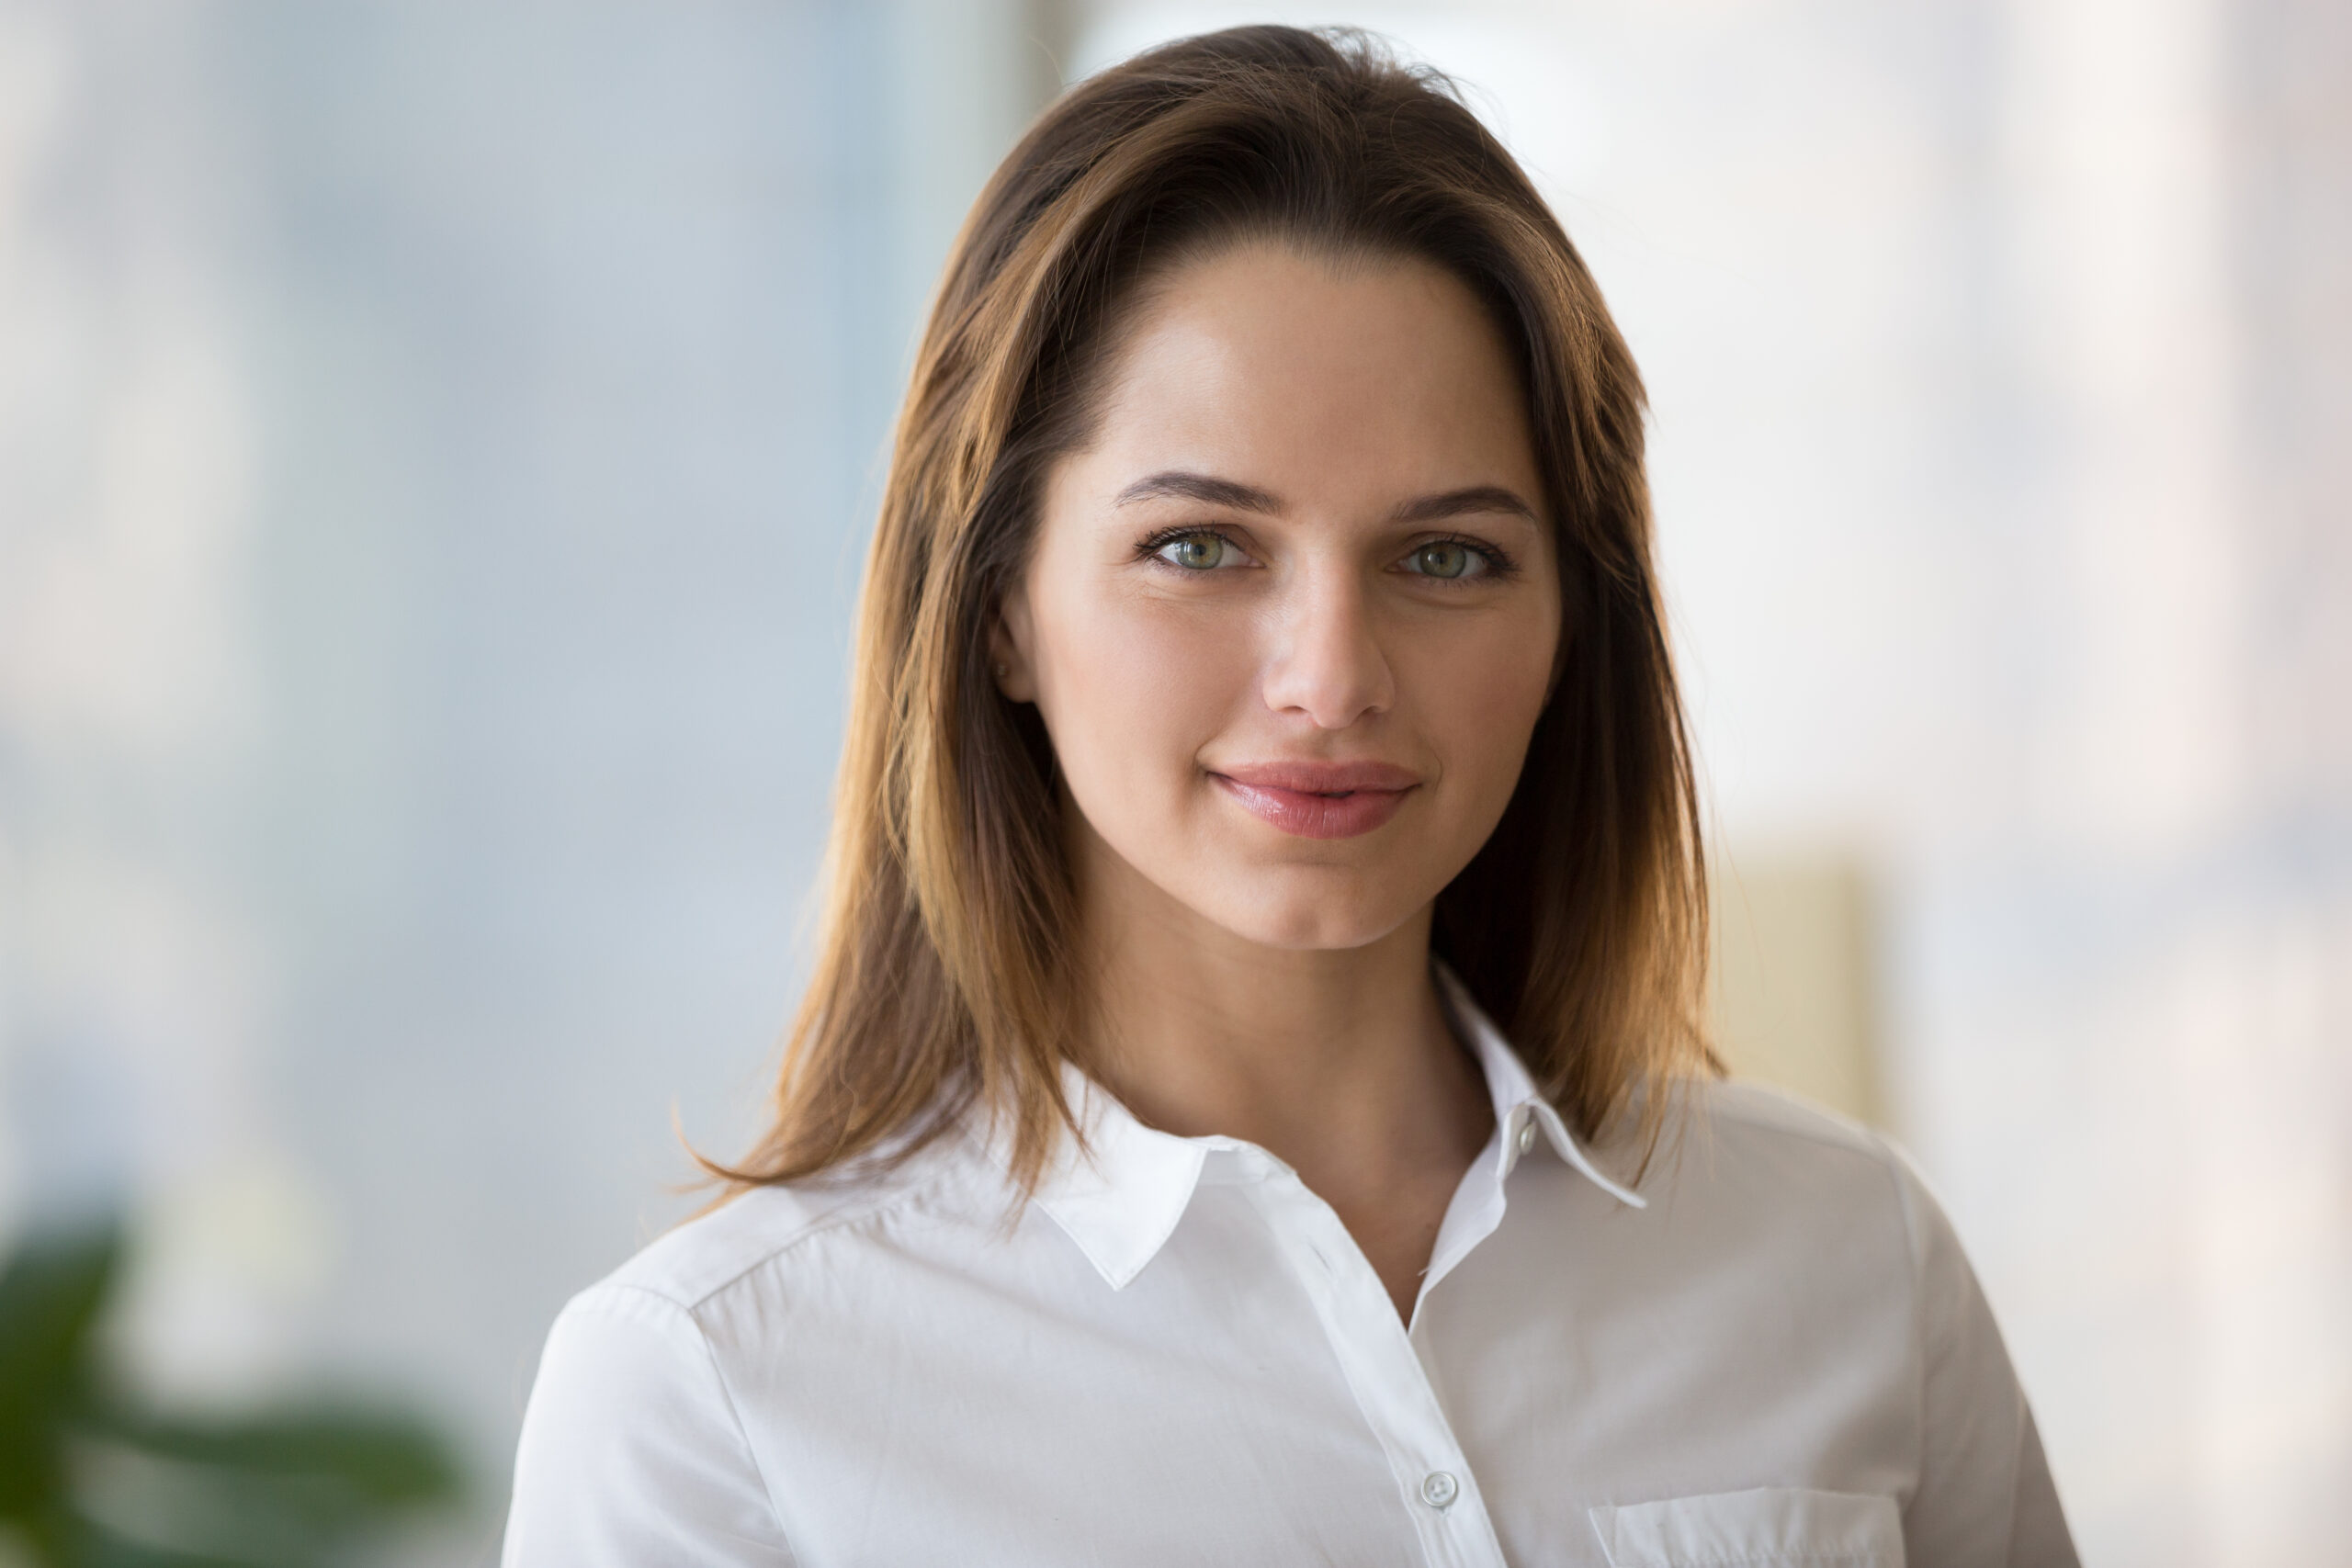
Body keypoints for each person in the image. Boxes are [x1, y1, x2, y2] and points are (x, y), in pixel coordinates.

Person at [502, 25, 2076, 1567]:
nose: (1332, 678)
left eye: (1447, 556)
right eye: (1199, 547)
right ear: (998, 611)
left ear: (1568, 627)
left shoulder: (1851, 1260)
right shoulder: (714, 1399)